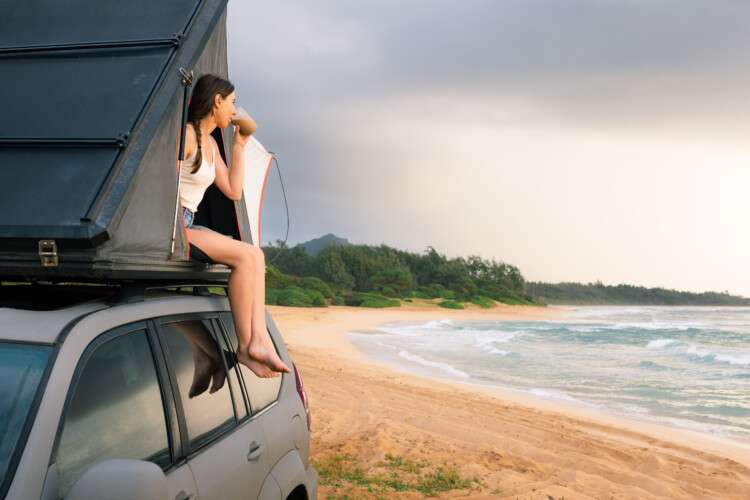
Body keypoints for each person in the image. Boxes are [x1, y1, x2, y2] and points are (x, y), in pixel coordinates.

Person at [179, 73, 290, 378]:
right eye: (232, 103)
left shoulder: (211, 146)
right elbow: (162, 184)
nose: (234, 110)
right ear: (217, 101)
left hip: (189, 224)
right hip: (176, 226)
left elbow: (233, 190)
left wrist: (239, 145)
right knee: (245, 257)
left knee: (255, 255)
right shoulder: (187, 136)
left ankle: (258, 340)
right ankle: (247, 345)